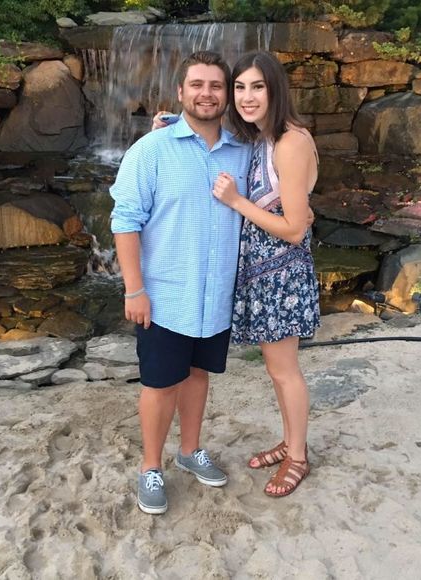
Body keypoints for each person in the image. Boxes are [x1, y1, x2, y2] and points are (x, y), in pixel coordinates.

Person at [109, 51, 253, 515]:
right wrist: (134, 289)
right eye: (197, 84)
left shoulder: (244, 150)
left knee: (197, 375)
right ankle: (151, 467)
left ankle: (190, 451)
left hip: (215, 294)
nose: (206, 94)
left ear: (226, 94)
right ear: (180, 91)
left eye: (216, 85)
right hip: (165, 295)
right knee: (159, 384)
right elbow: (125, 221)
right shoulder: (150, 150)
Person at [211, 51, 321, 498]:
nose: (247, 97)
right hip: (263, 271)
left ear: (275, 89)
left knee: (284, 370)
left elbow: (294, 229)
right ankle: (291, 442)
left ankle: (298, 457)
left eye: (257, 86)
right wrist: (168, 123)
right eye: (239, 87)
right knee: (277, 369)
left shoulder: (291, 142)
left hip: (281, 276)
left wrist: (236, 202)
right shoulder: (263, 137)